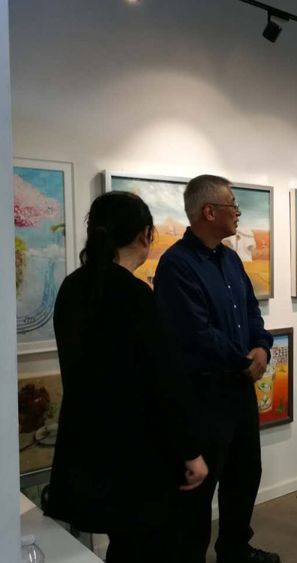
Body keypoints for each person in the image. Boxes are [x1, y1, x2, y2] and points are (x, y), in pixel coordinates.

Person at [46, 191, 208, 563]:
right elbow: (162, 383)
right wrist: (190, 451)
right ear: (144, 235)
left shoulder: (73, 288)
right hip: (138, 455)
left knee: (125, 545)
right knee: (149, 547)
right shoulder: (134, 295)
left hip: (88, 445)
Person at [153, 175, 279, 563]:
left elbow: (252, 311)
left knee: (245, 475)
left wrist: (262, 347)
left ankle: (234, 550)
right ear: (209, 212)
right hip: (203, 396)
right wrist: (245, 361)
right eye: (232, 205)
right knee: (198, 492)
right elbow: (195, 333)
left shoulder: (230, 258)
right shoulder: (177, 265)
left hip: (238, 390)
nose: (238, 212)